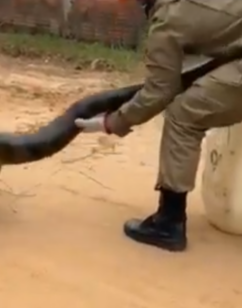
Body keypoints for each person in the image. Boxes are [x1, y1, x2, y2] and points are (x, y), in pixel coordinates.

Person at [74, 0, 242, 252]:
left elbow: (158, 92)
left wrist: (111, 122)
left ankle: (168, 223)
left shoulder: (168, 20)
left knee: (183, 116)